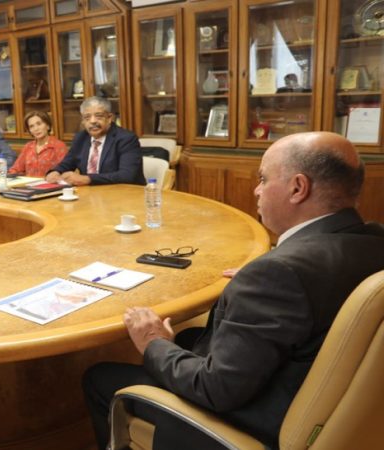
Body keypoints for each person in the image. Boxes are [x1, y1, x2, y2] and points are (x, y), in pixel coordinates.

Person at [82, 132, 384, 450]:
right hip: (330, 401)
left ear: (298, 188)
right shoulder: (374, 240)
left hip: (253, 422)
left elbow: (214, 389)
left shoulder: (280, 273)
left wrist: (153, 343)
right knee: (188, 338)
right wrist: (266, 279)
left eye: (263, 179)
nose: (256, 190)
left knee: (99, 378)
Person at [46, 96, 144, 186]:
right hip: (89, 193)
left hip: (123, 193)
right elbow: (67, 163)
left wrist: (88, 179)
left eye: (98, 116)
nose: (92, 121)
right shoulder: (81, 138)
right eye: (87, 117)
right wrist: (55, 172)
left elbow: (127, 175)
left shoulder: (126, 139)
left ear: (109, 118)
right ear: (83, 121)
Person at [8, 111, 67, 177]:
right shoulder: (28, 147)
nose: (36, 129)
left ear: (47, 126)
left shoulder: (58, 146)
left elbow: (64, 172)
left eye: (39, 124)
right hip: (29, 183)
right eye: (31, 126)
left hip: (50, 183)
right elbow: (15, 169)